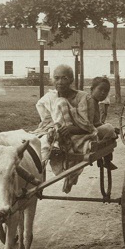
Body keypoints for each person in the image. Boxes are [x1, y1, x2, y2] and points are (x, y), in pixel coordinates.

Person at [34, 64, 98, 192]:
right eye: (56, 78)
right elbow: (47, 120)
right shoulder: (50, 98)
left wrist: (70, 129)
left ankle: (70, 175)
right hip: (58, 133)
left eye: (64, 78)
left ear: (71, 80)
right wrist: (54, 128)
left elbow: (88, 126)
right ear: (52, 79)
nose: (60, 82)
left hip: (79, 134)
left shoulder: (84, 98)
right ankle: (38, 175)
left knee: (61, 103)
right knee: (38, 142)